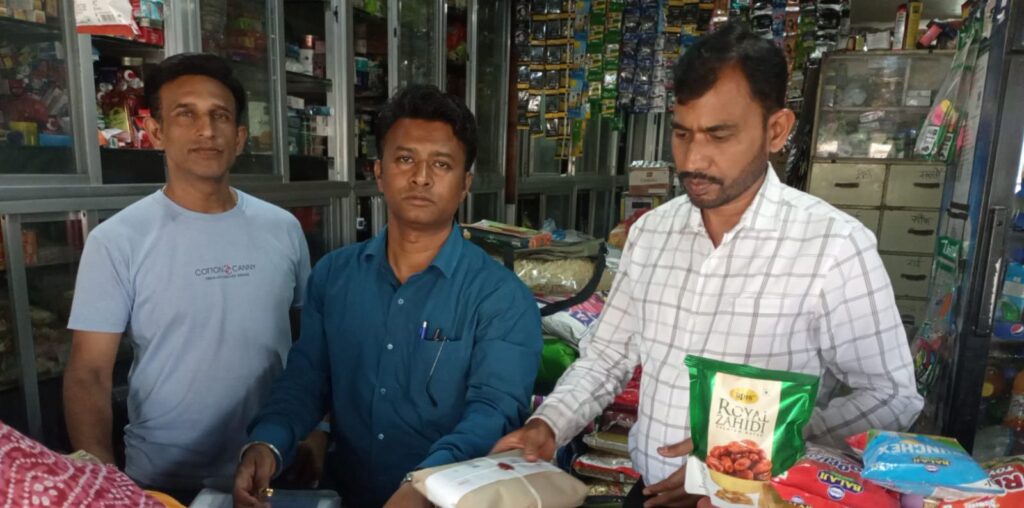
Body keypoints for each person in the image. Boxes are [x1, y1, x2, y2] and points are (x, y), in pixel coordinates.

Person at [494, 22, 923, 508]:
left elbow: (891, 395)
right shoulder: (653, 234)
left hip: (758, 499)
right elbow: (607, 356)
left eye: (720, 136)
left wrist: (746, 458)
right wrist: (548, 424)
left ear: (776, 130)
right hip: (652, 492)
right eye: (682, 133)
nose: (694, 159)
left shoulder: (833, 245)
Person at [233, 84, 542, 508]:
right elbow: (306, 380)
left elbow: (494, 412)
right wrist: (267, 444)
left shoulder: (501, 297)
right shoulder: (334, 276)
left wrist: (425, 484)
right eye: (405, 159)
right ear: (379, 173)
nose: (421, 177)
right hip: (346, 495)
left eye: (441, 164)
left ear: (464, 184)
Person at [63, 53, 313, 503]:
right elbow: (89, 374)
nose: (206, 130)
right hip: (163, 479)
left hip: (271, 467)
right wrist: (104, 484)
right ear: (156, 131)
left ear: (240, 137)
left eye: (220, 116)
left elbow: (310, 347)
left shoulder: (283, 228)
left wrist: (314, 431)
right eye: (186, 114)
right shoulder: (117, 240)